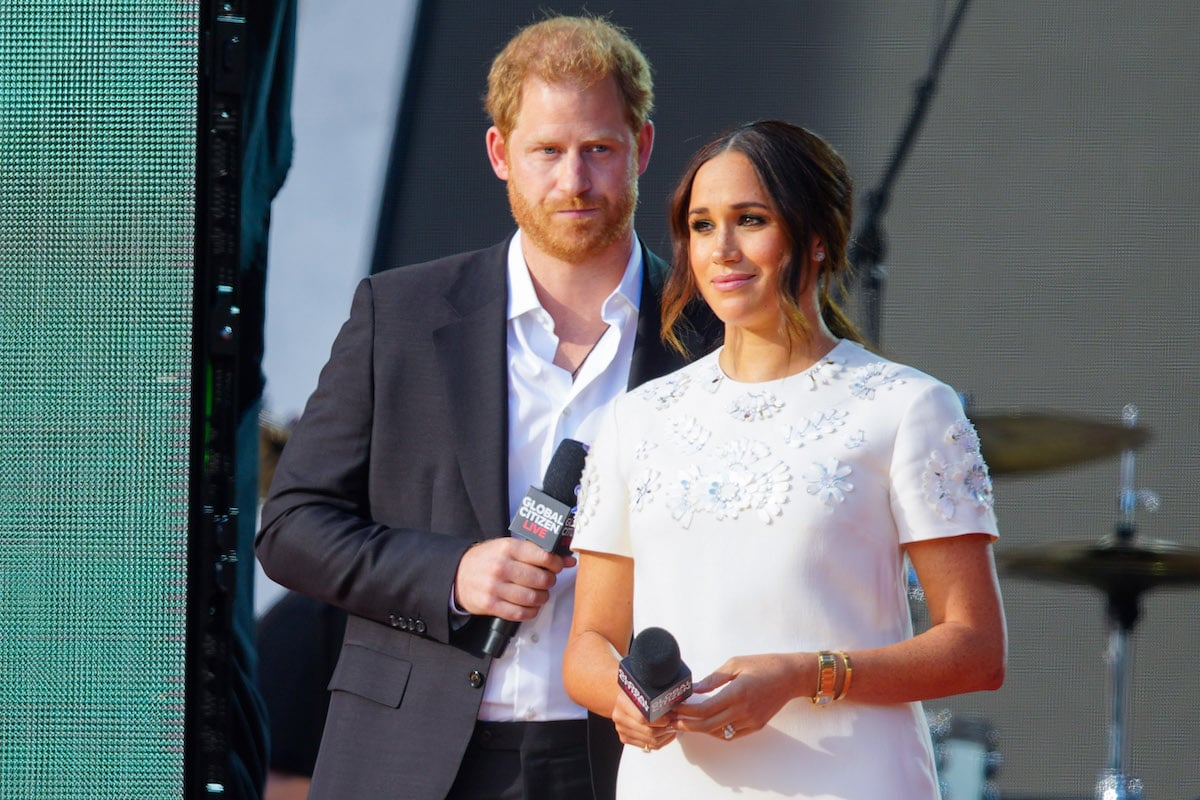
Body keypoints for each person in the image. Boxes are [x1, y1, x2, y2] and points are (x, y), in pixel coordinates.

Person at [255, 15, 716, 800]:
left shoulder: (711, 335)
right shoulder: (398, 314)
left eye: (599, 149)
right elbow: (291, 526)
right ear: (501, 154)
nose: (573, 181)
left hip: (635, 764)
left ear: (640, 149)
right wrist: (454, 573)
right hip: (409, 760)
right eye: (547, 150)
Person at [562, 120, 1007, 799]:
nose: (723, 249)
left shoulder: (908, 408)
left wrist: (806, 675)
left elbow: (976, 649)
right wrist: (624, 698)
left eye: (751, 220)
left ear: (818, 238)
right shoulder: (638, 418)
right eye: (703, 226)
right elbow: (589, 641)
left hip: (851, 780)